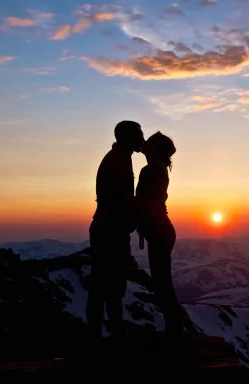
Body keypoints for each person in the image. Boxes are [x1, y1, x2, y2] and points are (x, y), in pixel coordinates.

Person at [86, 120, 144, 338]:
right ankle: (107, 337)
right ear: (128, 137)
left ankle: (103, 335)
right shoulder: (118, 161)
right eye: (139, 134)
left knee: (106, 285)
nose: (142, 139)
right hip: (110, 230)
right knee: (107, 285)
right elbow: (121, 200)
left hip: (108, 228)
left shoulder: (120, 158)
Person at [135, 132, 194, 337]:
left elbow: (145, 202)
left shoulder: (150, 170)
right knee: (162, 282)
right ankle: (174, 329)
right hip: (161, 230)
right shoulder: (158, 169)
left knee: (162, 284)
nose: (145, 145)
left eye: (149, 143)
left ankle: (174, 330)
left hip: (158, 230)